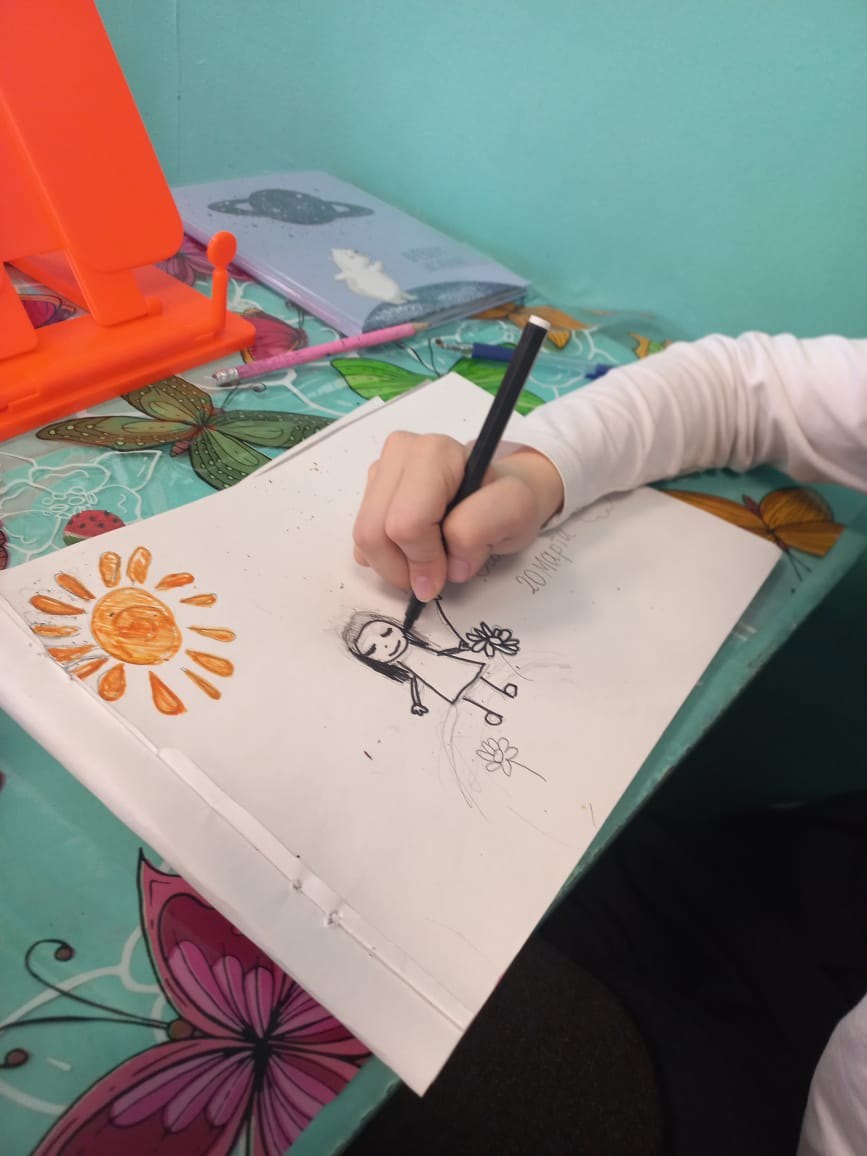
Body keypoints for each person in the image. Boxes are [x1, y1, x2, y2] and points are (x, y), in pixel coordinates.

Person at [351, 330, 867, 1155]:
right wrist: (535, 474)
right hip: (802, 881)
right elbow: (737, 387)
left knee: (380, 1002)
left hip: (760, 1104)